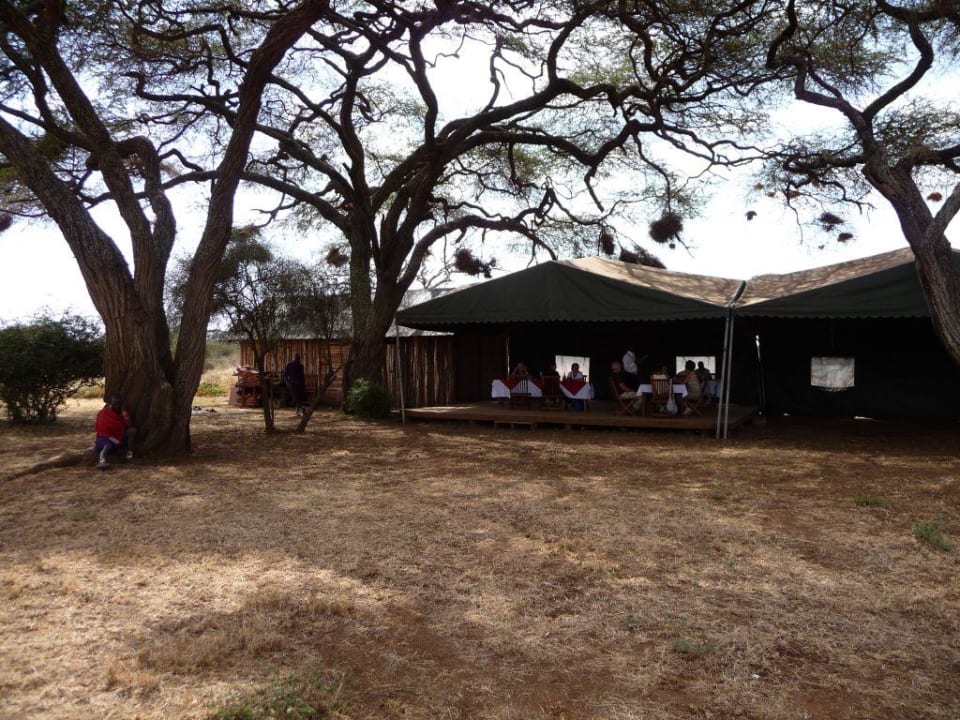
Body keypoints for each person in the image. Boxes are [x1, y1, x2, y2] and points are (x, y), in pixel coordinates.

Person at [94, 395, 136, 469]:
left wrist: (125, 417)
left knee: (132, 431)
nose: (117, 406)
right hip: (105, 438)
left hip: (119, 436)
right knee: (107, 446)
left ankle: (129, 454)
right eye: (115, 403)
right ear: (110, 404)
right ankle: (102, 460)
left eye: (119, 404)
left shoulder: (122, 413)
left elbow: (129, 425)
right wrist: (113, 439)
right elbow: (102, 430)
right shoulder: (104, 413)